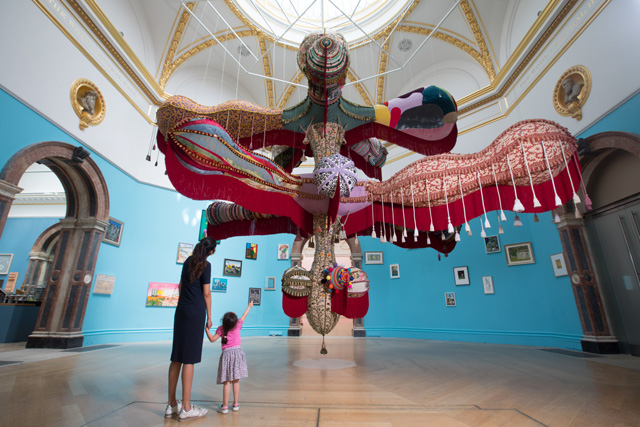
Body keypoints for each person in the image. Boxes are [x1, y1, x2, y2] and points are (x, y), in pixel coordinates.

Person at [165, 237, 216, 421]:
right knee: (189, 359)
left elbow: (180, 286)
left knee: (176, 357)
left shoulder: (188, 261)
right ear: (211, 251)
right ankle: (186, 408)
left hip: (181, 311)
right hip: (195, 313)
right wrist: (209, 316)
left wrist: (185, 302)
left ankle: (171, 405)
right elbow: (207, 293)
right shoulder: (206, 265)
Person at [205, 301, 253, 414]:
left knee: (227, 382)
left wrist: (206, 330)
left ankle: (225, 406)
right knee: (236, 380)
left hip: (226, 355)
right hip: (237, 354)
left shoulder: (221, 329)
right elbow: (244, 315)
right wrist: (249, 306)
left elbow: (212, 339)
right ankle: (236, 404)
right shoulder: (238, 325)